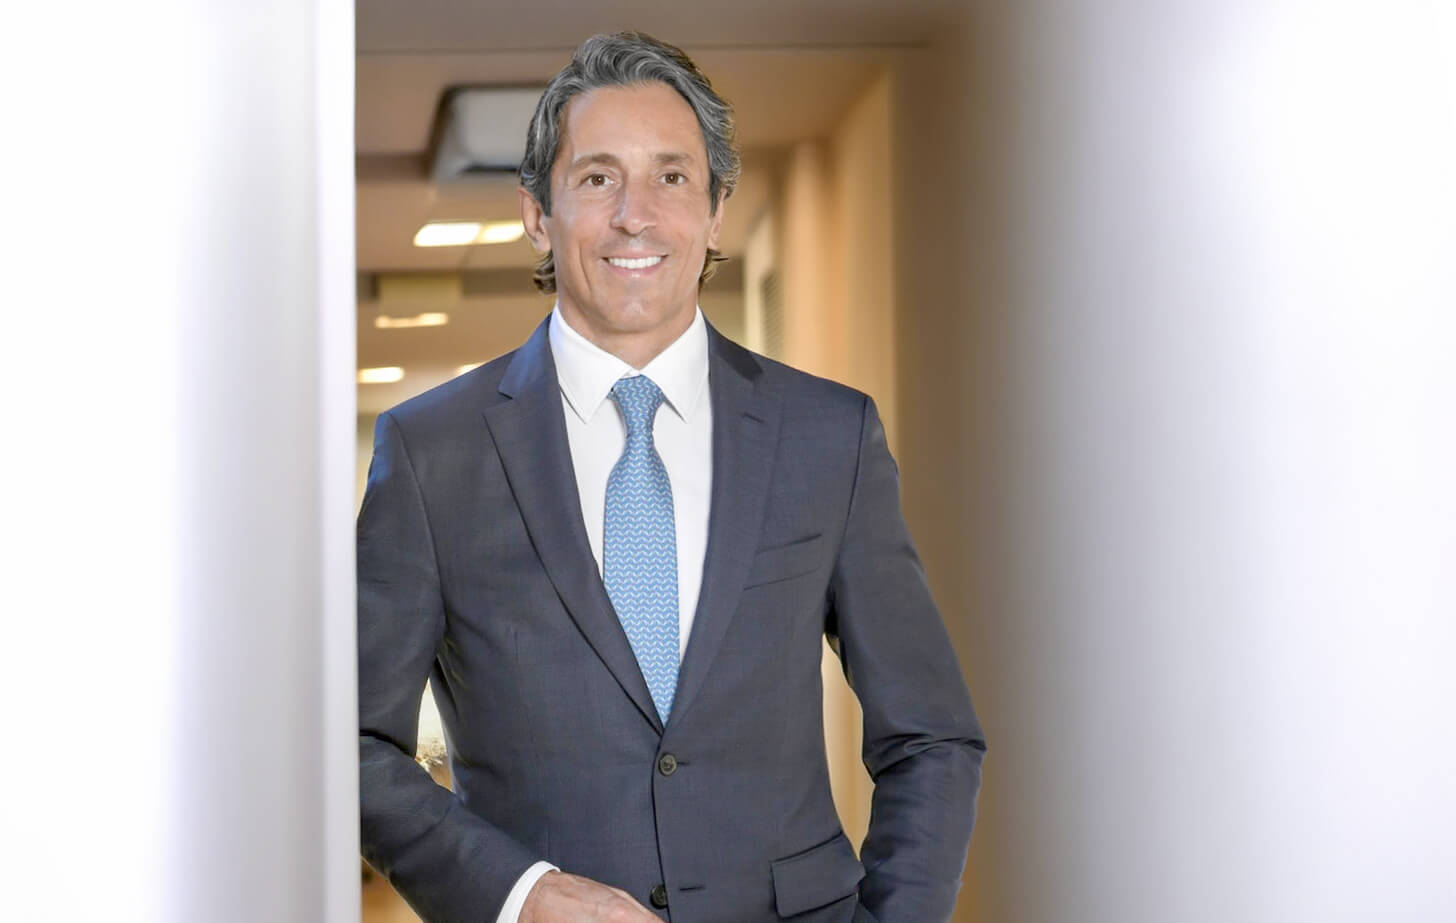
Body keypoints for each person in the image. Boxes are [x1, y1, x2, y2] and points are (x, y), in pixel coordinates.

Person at [357, 31, 985, 923]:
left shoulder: (827, 437)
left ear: (717, 209)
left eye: (673, 177)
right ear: (537, 212)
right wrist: (521, 895)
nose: (636, 216)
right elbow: (353, 743)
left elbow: (931, 736)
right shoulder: (432, 452)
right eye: (597, 178)